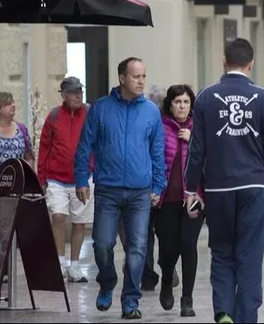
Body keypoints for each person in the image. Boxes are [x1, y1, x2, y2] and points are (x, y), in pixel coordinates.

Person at [184, 38, 264, 324]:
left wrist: (191, 189)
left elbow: (196, 150)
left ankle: (224, 311)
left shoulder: (205, 97)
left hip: (218, 189)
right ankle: (246, 317)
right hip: (254, 187)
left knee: (222, 252)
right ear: (251, 64)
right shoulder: (262, 98)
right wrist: (263, 168)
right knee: (249, 257)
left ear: (224, 61)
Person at [74, 57, 166, 320]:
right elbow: (84, 146)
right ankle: (107, 282)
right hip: (108, 189)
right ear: (122, 78)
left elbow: (158, 152)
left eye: (143, 76)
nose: (141, 81)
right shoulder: (101, 109)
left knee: (137, 248)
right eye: (136, 76)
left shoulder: (151, 112)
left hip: (140, 192)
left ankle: (130, 300)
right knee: (102, 244)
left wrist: (158, 185)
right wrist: (81, 179)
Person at [154, 84, 204, 317]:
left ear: (191, 105)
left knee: (188, 245)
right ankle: (166, 280)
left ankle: (187, 299)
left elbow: (210, 159)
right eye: (177, 102)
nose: (182, 106)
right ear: (170, 105)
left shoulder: (200, 128)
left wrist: (193, 141)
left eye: (185, 102)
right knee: (169, 249)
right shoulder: (160, 127)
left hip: (194, 196)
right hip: (167, 198)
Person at [37, 76, 92, 283]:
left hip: (83, 178)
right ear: (64, 95)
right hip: (56, 178)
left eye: (80, 92)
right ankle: (60, 263)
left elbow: (98, 142)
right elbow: (44, 148)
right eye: (73, 92)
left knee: (79, 222)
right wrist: (41, 177)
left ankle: (75, 266)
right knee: (58, 217)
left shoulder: (89, 113)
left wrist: (93, 168)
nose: (78, 96)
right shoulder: (53, 116)